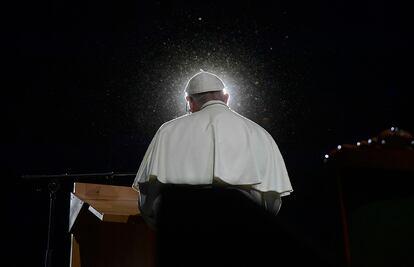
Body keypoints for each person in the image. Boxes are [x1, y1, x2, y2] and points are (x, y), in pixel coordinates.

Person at [132, 70, 293, 229]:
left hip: (183, 228)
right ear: (226, 98)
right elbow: (272, 202)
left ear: (189, 101)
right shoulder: (259, 133)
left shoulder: (168, 130)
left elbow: (149, 198)